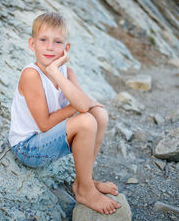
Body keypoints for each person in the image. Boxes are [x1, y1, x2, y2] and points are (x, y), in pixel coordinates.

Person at [9, 12, 121, 214]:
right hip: (28, 147)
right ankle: (86, 192)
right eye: (43, 40)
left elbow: (84, 104)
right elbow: (44, 124)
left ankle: (82, 182)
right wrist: (78, 105)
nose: (50, 47)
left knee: (99, 115)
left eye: (57, 42)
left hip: (48, 138)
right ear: (32, 44)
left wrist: (56, 74)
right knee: (86, 120)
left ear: (66, 48)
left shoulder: (67, 72)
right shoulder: (31, 75)